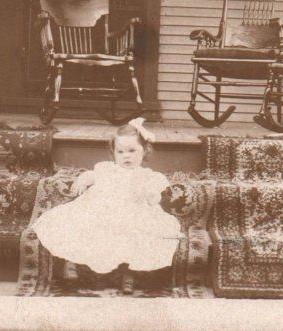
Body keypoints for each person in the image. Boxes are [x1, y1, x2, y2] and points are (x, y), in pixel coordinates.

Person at [31, 118, 182, 294]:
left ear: (145, 151)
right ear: (114, 152)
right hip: (102, 211)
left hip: (134, 213)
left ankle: (129, 272)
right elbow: (92, 175)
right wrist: (83, 178)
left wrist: (149, 194)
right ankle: (70, 263)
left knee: (136, 232)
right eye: (120, 152)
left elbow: (155, 195)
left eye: (132, 151)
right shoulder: (107, 169)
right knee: (77, 224)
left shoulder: (148, 176)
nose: (126, 156)